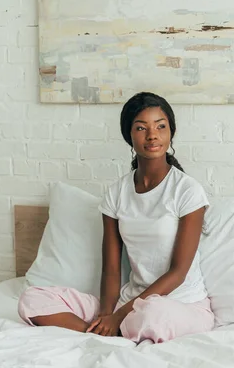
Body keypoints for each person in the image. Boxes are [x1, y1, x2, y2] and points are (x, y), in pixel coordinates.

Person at [17, 92, 214, 343]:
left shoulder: (187, 191)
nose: (152, 135)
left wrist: (119, 316)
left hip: (180, 306)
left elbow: (178, 273)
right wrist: (106, 314)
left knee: (152, 315)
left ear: (171, 132)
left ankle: (117, 331)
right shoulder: (117, 193)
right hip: (128, 303)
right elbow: (111, 269)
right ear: (129, 136)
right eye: (141, 128)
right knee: (32, 298)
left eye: (160, 126)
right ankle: (101, 334)